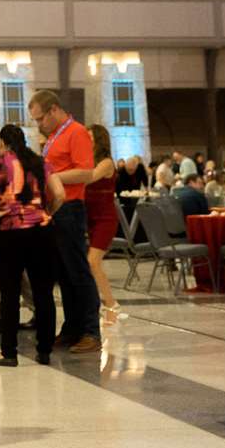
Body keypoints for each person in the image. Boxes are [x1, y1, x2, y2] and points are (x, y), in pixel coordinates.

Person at [28, 90, 101, 354]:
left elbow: (86, 171)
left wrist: (53, 177)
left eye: (40, 119)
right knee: (64, 274)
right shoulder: (54, 137)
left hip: (70, 208)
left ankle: (91, 331)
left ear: (54, 110)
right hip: (56, 209)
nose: (39, 125)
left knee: (79, 272)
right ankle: (72, 328)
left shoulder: (77, 132)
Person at [0, 125, 64, 367]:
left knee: (9, 293)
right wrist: (45, 212)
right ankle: (45, 351)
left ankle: (9, 353)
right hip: (41, 231)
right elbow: (60, 193)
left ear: (2, 142)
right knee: (43, 292)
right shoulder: (40, 162)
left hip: (8, 232)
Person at [85, 125, 122, 325]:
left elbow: (88, 177)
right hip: (90, 217)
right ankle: (100, 306)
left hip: (105, 219)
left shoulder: (107, 163)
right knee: (90, 264)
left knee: (93, 261)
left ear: (99, 141)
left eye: (89, 137)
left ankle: (111, 305)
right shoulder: (88, 160)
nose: (86, 141)